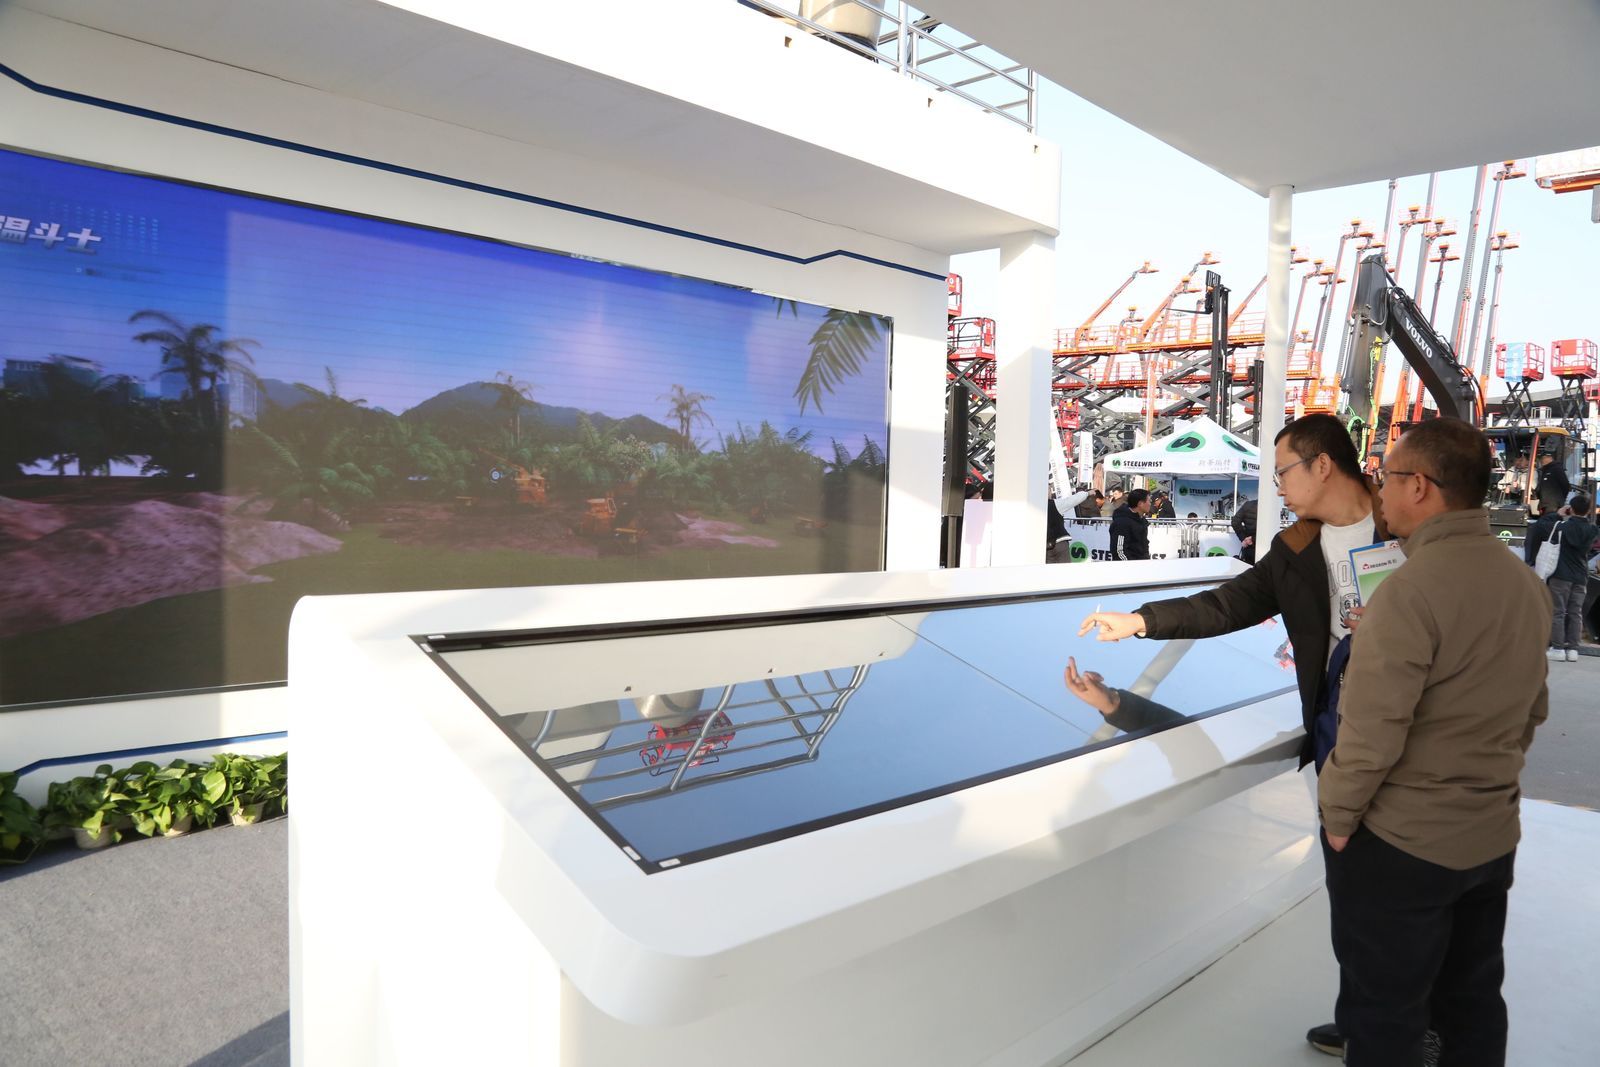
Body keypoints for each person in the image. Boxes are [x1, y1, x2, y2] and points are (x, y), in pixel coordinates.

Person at [1077, 413, 1388, 1059]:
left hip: (1411, 727)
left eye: (1284, 472)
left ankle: (1421, 1025)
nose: (1278, 487)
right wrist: (1139, 620)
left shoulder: (1407, 526)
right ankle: (1367, 1015)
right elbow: (1226, 604)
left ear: (1322, 464)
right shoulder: (1296, 548)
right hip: (1340, 727)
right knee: (1353, 884)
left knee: (1411, 884)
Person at [1319, 418, 1550, 1067]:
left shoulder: (1408, 591)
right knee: (1472, 999)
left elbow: (1370, 736)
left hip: (1404, 843)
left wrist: (1337, 818)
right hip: (1491, 834)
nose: (1380, 491)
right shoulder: (1524, 584)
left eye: (1386, 477)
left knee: (1386, 1013)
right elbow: (1532, 710)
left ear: (1419, 485)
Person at [1546, 494, 1598, 661]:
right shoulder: (1593, 530)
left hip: (1561, 574)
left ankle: (1558, 648)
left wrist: (1558, 515)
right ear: (1588, 510)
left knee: (1558, 612)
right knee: (1576, 612)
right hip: (1581, 575)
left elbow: (1542, 527)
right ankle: (1573, 649)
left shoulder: (1562, 527)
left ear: (1571, 509)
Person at [1108, 488, 1151, 560]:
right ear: (1140, 504)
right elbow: (1119, 551)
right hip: (1128, 565)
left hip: (1142, 564)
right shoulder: (1122, 522)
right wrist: (1129, 565)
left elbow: (1144, 546)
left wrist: (1146, 562)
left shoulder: (1142, 520)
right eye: (1149, 501)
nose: (1150, 504)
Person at [1230, 498, 1260, 564]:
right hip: (1264, 547)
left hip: (1249, 547)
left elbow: (1235, 522)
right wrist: (1250, 539)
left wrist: (1244, 539)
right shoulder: (1271, 507)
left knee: (1249, 568)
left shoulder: (1248, 505)